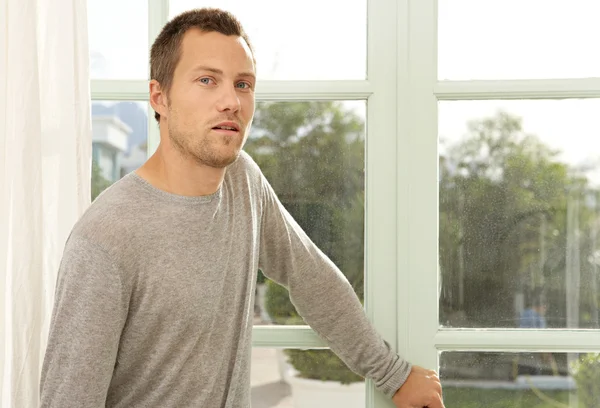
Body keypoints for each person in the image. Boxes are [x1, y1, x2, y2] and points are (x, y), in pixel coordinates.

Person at [40, 8, 444, 408]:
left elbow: (311, 277)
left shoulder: (243, 181)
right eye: (206, 80)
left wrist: (393, 374)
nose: (231, 101)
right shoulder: (104, 240)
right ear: (159, 97)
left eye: (243, 84)